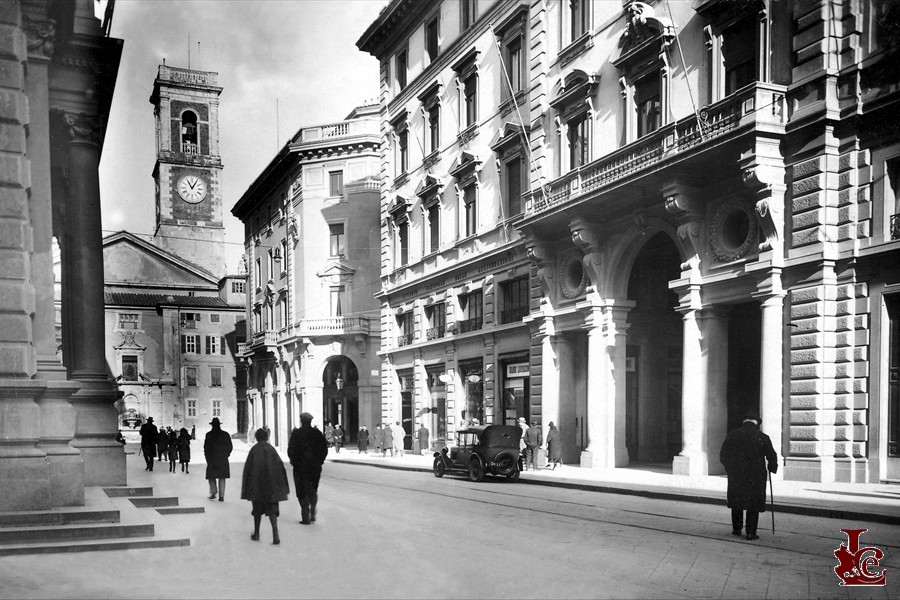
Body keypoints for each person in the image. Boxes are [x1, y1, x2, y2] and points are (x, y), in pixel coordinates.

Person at [719, 412, 778, 541]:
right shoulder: (762, 437)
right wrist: (772, 467)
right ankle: (751, 532)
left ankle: (736, 529)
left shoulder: (733, 435)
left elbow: (723, 455)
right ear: (756, 423)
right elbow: (771, 456)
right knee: (753, 503)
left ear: (744, 422)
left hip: (736, 474)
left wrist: (730, 469)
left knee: (737, 500)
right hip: (756, 475)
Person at [242, 427, 290, 544]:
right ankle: (275, 534)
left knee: (257, 510)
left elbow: (247, 470)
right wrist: (284, 486)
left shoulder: (254, 450)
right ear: (267, 437)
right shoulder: (272, 450)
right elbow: (280, 468)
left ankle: (257, 533)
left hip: (257, 485)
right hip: (272, 486)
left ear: (257, 438)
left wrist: (247, 488)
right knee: (272, 509)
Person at [287, 412, 328, 525]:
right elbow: (324, 449)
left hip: (300, 467)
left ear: (301, 421)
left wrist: (293, 461)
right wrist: (320, 461)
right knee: (313, 488)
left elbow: (291, 449)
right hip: (315, 466)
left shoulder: (297, 434)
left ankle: (305, 516)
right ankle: (313, 508)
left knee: (302, 491)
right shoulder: (317, 433)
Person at [204, 417, 233, 501]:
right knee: (222, 477)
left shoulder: (209, 435)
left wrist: (208, 458)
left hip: (212, 459)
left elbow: (206, 448)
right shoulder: (225, 434)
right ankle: (221, 496)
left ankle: (213, 492)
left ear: (212, 425)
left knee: (211, 477)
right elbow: (230, 447)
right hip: (222, 459)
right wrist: (226, 455)